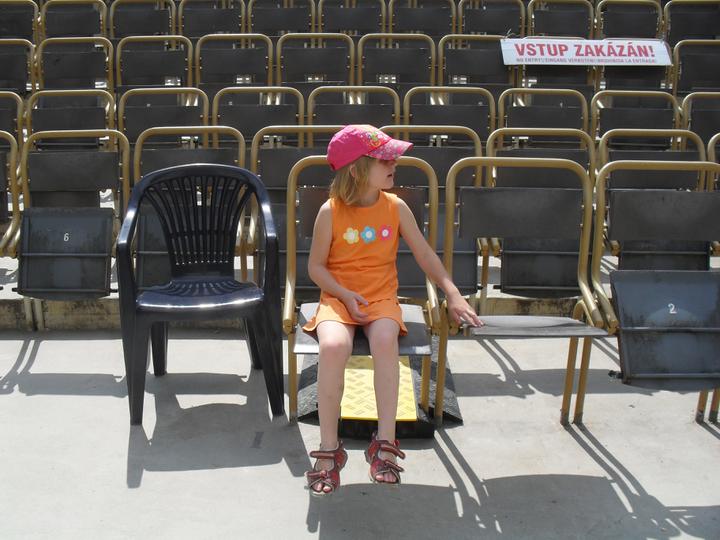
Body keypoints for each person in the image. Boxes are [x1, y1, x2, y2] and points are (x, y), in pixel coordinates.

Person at [303, 124, 483, 496]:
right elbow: (316, 267)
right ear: (357, 169)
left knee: (385, 339)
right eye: (384, 160)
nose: (394, 164)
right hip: (338, 298)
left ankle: (384, 443)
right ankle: (329, 448)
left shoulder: (396, 207)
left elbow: (425, 254)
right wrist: (344, 294)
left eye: (393, 158)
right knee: (333, 346)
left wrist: (452, 293)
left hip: (381, 298)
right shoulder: (329, 211)